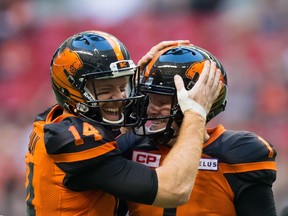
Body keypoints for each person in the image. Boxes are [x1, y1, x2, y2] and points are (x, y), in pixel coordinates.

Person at [25, 30, 222, 215]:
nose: (119, 97)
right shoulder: (76, 139)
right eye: (105, 91)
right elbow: (174, 190)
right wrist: (195, 113)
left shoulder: (59, 119)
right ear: (73, 94)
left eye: (122, 85)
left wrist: (141, 79)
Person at [117, 45, 278, 216]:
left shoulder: (238, 153)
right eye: (150, 100)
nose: (151, 110)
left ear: (203, 101)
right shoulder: (130, 147)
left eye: (163, 102)